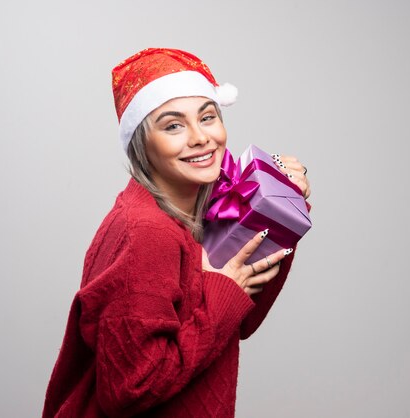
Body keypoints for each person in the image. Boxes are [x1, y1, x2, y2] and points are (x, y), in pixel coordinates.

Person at [42, 48, 311, 417]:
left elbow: (238, 320)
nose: (201, 138)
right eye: (173, 125)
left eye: (208, 117)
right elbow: (130, 388)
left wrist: (280, 204)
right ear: (141, 145)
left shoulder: (201, 207)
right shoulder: (146, 232)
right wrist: (224, 292)